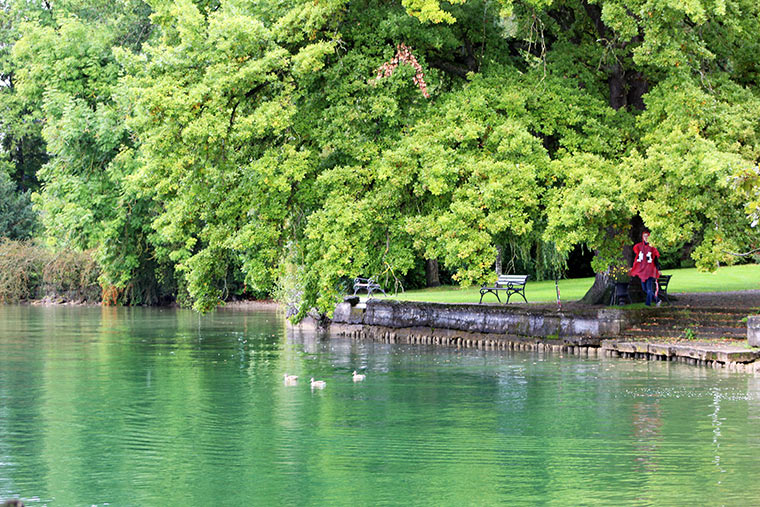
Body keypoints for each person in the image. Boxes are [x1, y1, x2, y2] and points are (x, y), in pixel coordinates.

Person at [630, 229, 661, 306]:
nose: (646, 238)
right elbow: (637, 259)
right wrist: (634, 268)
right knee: (645, 289)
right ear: (642, 237)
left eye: (647, 236)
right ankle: (657, 300)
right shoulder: (639, 246)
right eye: (644, 236)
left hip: (650, 271)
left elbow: (655, 259)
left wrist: (658, 269)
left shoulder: (652, 247)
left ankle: (648, 304)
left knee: (649, 289)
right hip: (643, 271)